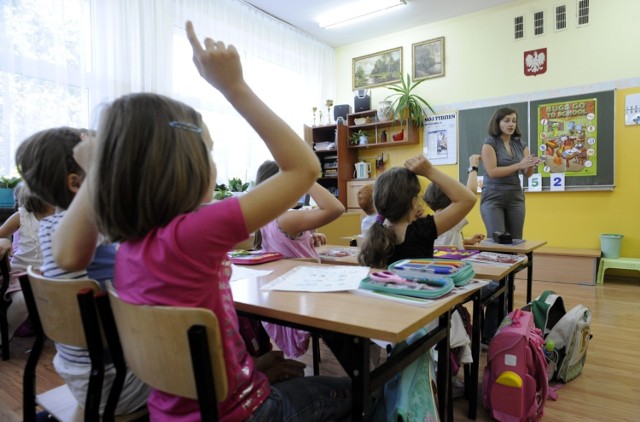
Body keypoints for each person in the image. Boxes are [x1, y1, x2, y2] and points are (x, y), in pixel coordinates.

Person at [51, 21, 351, 421]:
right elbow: (304, 167)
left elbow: (68, 256)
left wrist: (99, 168)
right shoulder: (196, 231)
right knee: (364, 386)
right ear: (187, 166)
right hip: (244, 413)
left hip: (169, 413)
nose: (214, 164)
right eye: (209, 152)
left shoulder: (127, 242)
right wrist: (234, 87)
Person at [15, 127, 150, 416]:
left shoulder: (51, 226)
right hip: (118, 382)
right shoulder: (89, 227)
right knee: (198, 355)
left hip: (84, 375)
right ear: (77, 183)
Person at [252, 160, 344, 358]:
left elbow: (286, 245)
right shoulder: (287, 218)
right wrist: (306, 177)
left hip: (287, 295)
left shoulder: (267, 217)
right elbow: (336, 208)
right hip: (308, 295)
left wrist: (309, 239)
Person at [358, 155, 476, 269]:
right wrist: (430, 171)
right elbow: (468, 199)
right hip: (420, 289)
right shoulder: (422, 230)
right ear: (414, 202)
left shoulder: (375, 233)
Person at [0, 183, 54, 345]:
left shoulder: (61, 217)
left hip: (50, 276)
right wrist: (3, 241)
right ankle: (7, 331)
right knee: (23, 301)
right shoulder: (22, 216)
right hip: (21, 274)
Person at [480, 107, 540, 240]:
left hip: (515, 197)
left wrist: (531, 165)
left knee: (516, 240)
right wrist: (519, 165)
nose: (511, 124)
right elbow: (492, 172)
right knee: (498, 239)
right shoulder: (489, 143)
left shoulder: (520, 144)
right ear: (498, 123)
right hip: (493, 197)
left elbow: (527, 174)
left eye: (514, 121)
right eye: (506, 121)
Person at [423, 154, 485, 247]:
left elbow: (446, 241)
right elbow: (470, 193)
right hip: (452, 260)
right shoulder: (451, 219)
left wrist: (468, 241)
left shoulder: (429, 222)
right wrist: (473, 167)